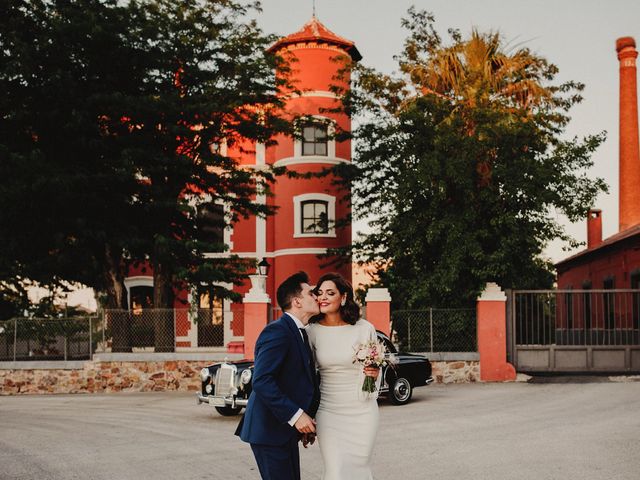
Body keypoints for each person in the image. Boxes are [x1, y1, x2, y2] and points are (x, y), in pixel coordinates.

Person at [236, 271, 320, 480]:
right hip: (269, 431)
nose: (317, 296)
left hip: (283, 431)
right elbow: (262, 380)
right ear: (297, 301)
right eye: (311, 293)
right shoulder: (278, 331)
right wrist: (296, 415)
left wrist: (303, 422)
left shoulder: (299, 331)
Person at [307, 272, 381, 480]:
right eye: (319, 293)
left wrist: (374, 374)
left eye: (330, 293)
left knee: (359, 467)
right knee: (336, 469)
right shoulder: (312, 331)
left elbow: (376, 366)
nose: (323, 297)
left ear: (344, 297)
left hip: (362, 410)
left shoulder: (364, 329)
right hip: (329, 410)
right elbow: (307, 373)